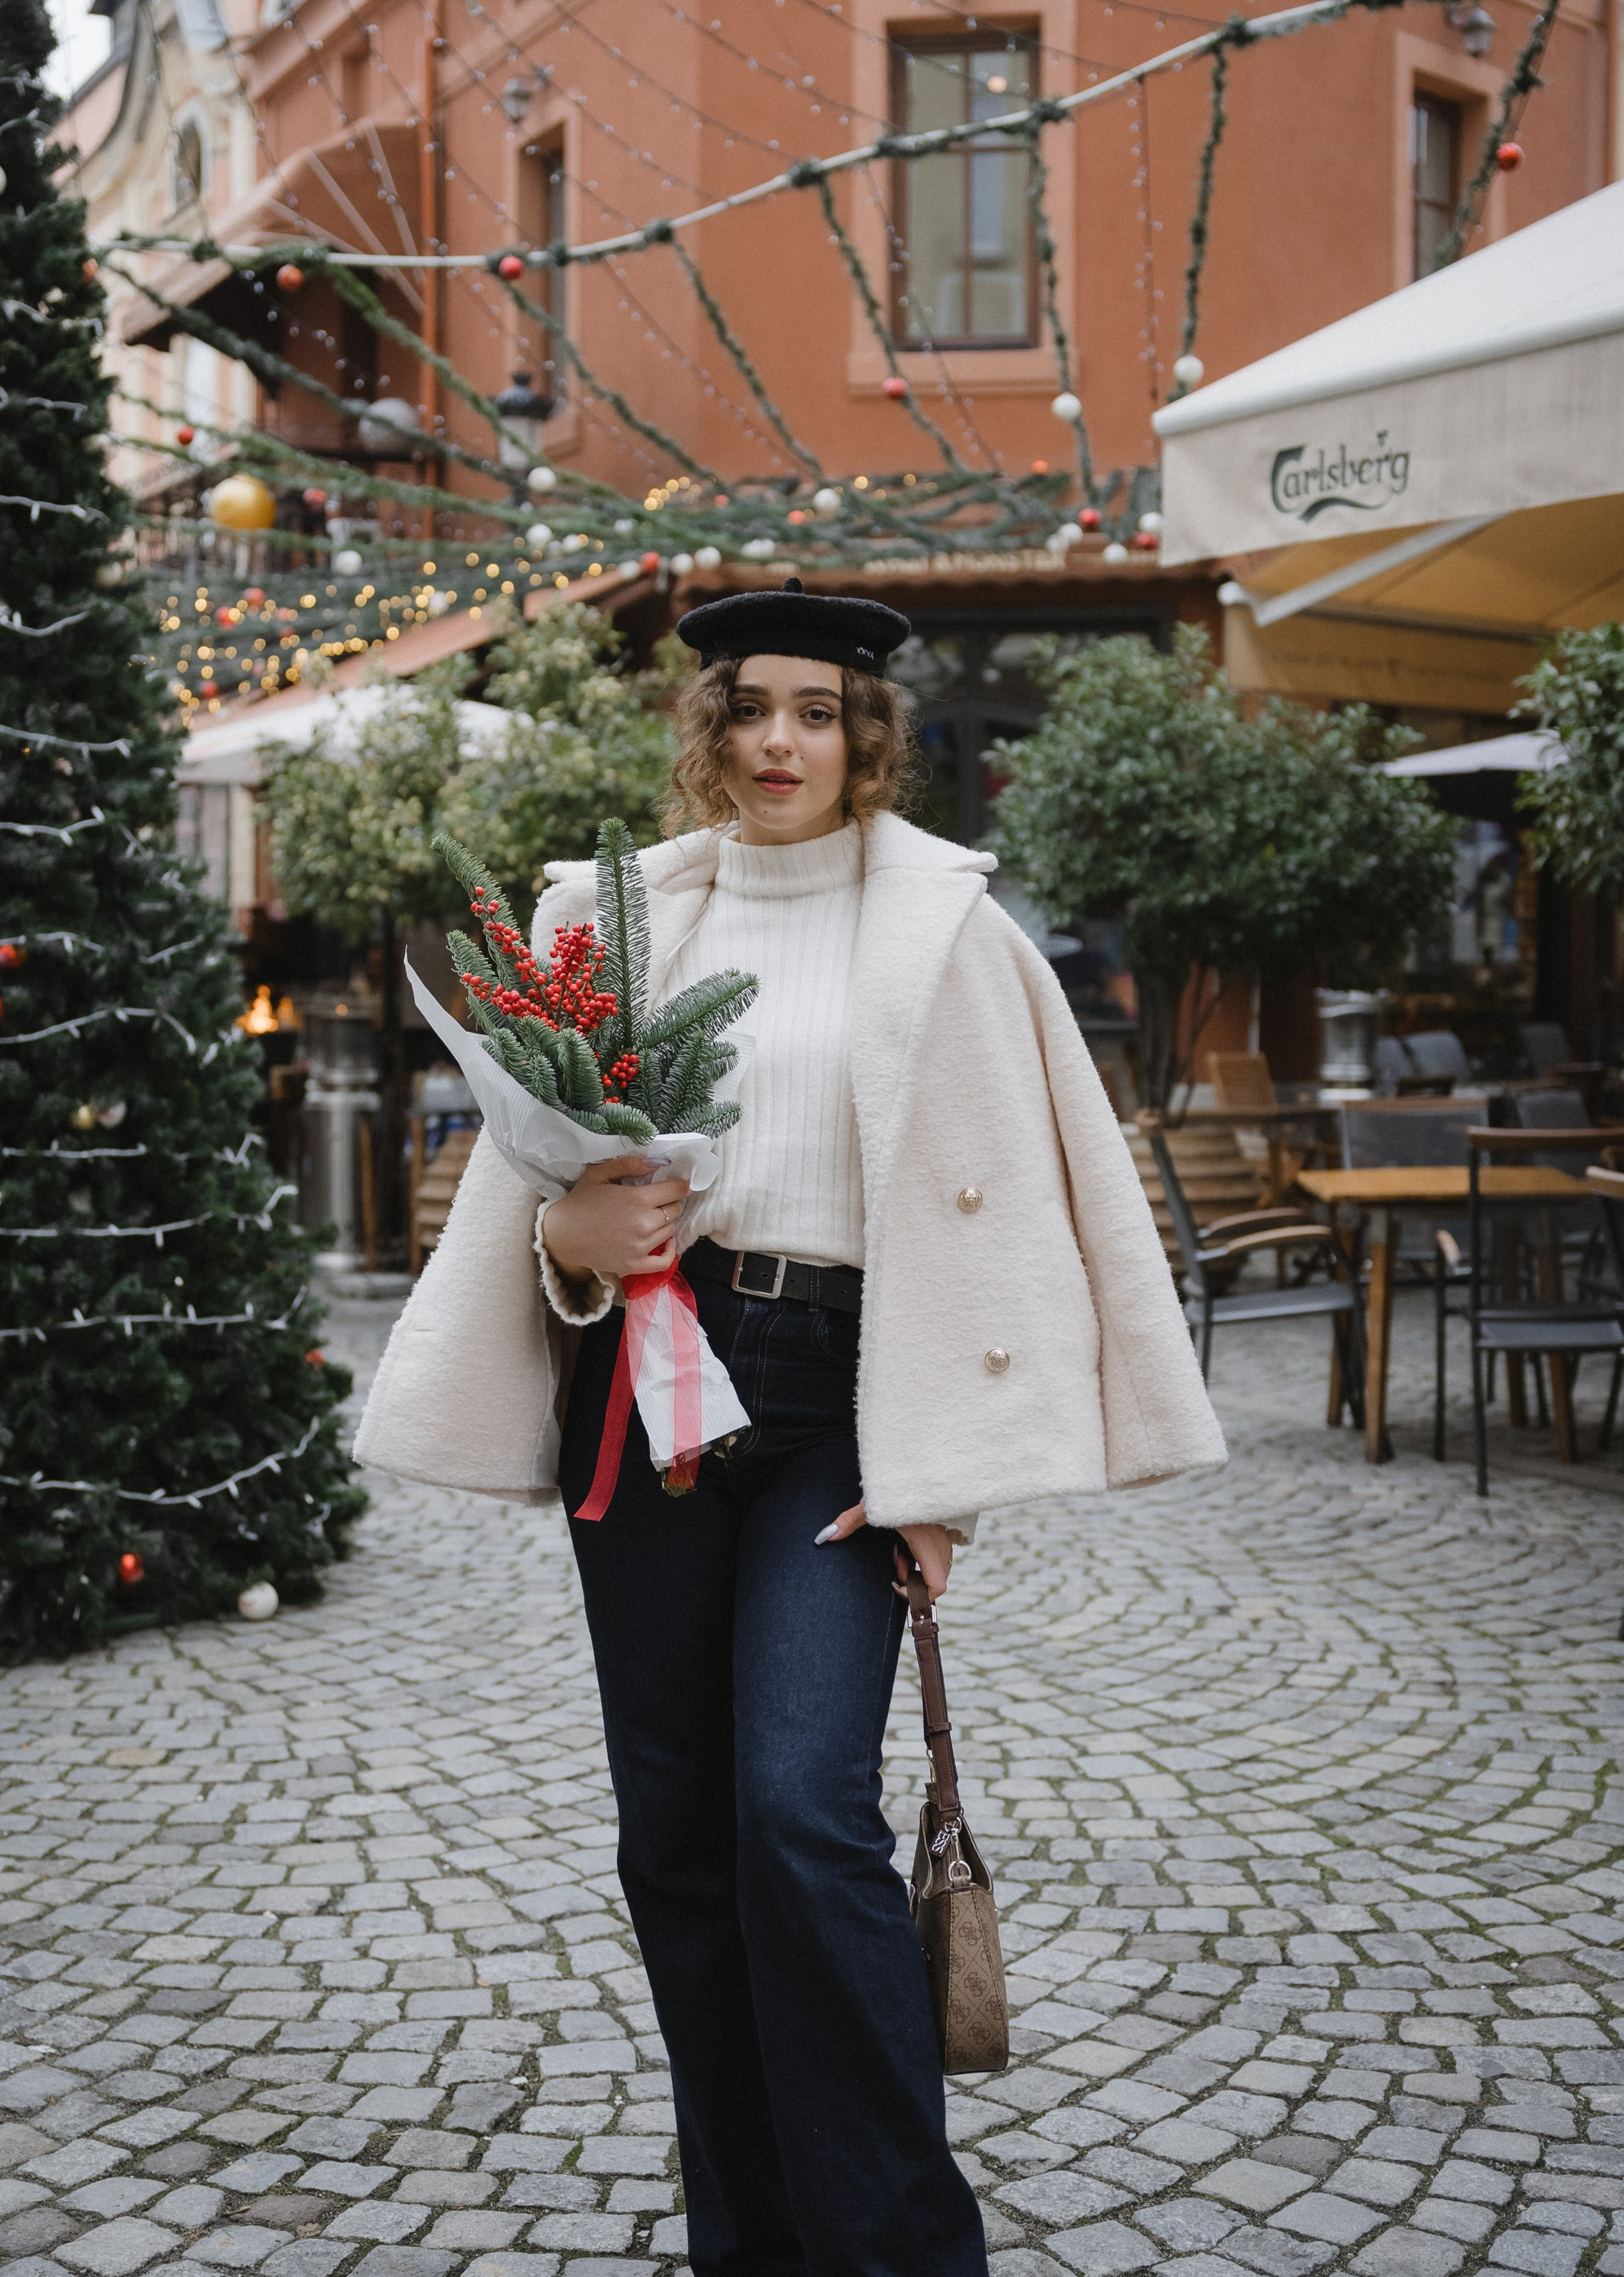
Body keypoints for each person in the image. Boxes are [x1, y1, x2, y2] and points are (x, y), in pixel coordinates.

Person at [356, 579, 1225, 2277]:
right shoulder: (610, 920)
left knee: (797, 1808)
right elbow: (539, 1193)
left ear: (866, 735)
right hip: (655, 1382)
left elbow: (1026, 1206)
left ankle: (897, 2247)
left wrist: (944, 1477)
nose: (778, 742)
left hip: (841, 1393)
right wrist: (566, 1245)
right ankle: (747, 2242)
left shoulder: (954, 929)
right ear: (708, 728)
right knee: (676, 1834)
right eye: (750, 708)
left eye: (816, 713)